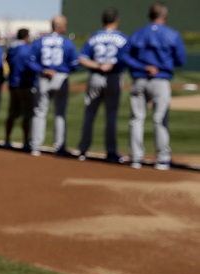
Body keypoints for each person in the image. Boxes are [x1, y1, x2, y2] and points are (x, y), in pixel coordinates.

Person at [126, 2, 186, 170]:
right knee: (160, 120)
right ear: (164, 16)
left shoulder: (138, 34)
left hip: (139, 79)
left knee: (137, 119)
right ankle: (162, 159)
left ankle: (136, 159)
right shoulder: (171, 34)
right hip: (160, 80)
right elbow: (180, 59)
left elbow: (126, 57)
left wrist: (143, 67)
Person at [77, 8, 130, 163]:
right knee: (111, 116)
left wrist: (98, 65)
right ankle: (111, 152)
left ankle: (83, 150)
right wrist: (111, 64)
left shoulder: (94, 37)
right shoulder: (123, 38)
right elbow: (127, 59)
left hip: (95, 76)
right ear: (116, 20)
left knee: (89, 114)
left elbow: (82, 59)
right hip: (113, 77)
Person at [27, 15, 79, 157]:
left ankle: (35, 146)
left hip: (43, 77)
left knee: (39, 113)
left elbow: (30, 61)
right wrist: (62, 70)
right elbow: (75, 65)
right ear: (61, 26)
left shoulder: (40, 41)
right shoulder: (67, 43)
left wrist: (43, 70)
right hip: (60, 77)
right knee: (60, 114)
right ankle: (59, 146)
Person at [4, 28, 36, 150]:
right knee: (27, 115)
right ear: (26, 36)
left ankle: (7, 139)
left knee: (12, 113)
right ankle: (26, 142)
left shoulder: (12, 48)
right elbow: (29, 65)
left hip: (13, 84)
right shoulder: (27, 48)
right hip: (25, 84)